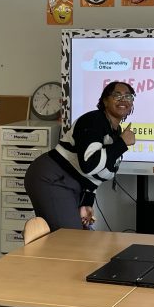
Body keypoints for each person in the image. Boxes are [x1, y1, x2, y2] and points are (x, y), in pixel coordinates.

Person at [23, 81, 135, 230]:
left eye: (128, 96)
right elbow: (89, 165)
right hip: (51, 178)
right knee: (70, 238)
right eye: (117, 95)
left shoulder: (114, 130)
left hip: (69, 183)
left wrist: (86, 203)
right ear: (105, 100)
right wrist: (121, 144)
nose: (123, 100)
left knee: (83, 236)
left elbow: (94, 175)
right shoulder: (93, 121)